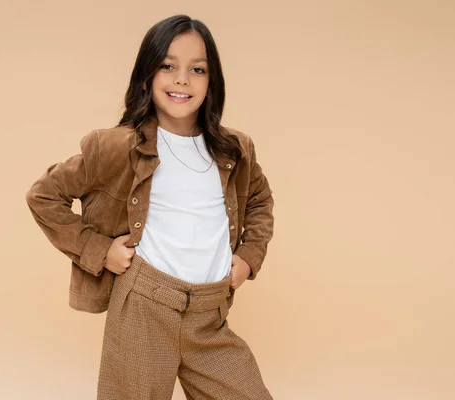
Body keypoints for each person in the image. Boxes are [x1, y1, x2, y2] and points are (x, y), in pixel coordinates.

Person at [25, 14, 275, 400]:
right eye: (168, 66)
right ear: (147, 75)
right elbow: (43, 195)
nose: (182, 79)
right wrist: (99, 250)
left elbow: (259, 201)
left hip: (209, 313)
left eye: (197, 69)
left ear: (212, 82)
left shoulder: (233, 150)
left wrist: (248, 256)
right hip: (143, 306)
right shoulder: (115, 147)